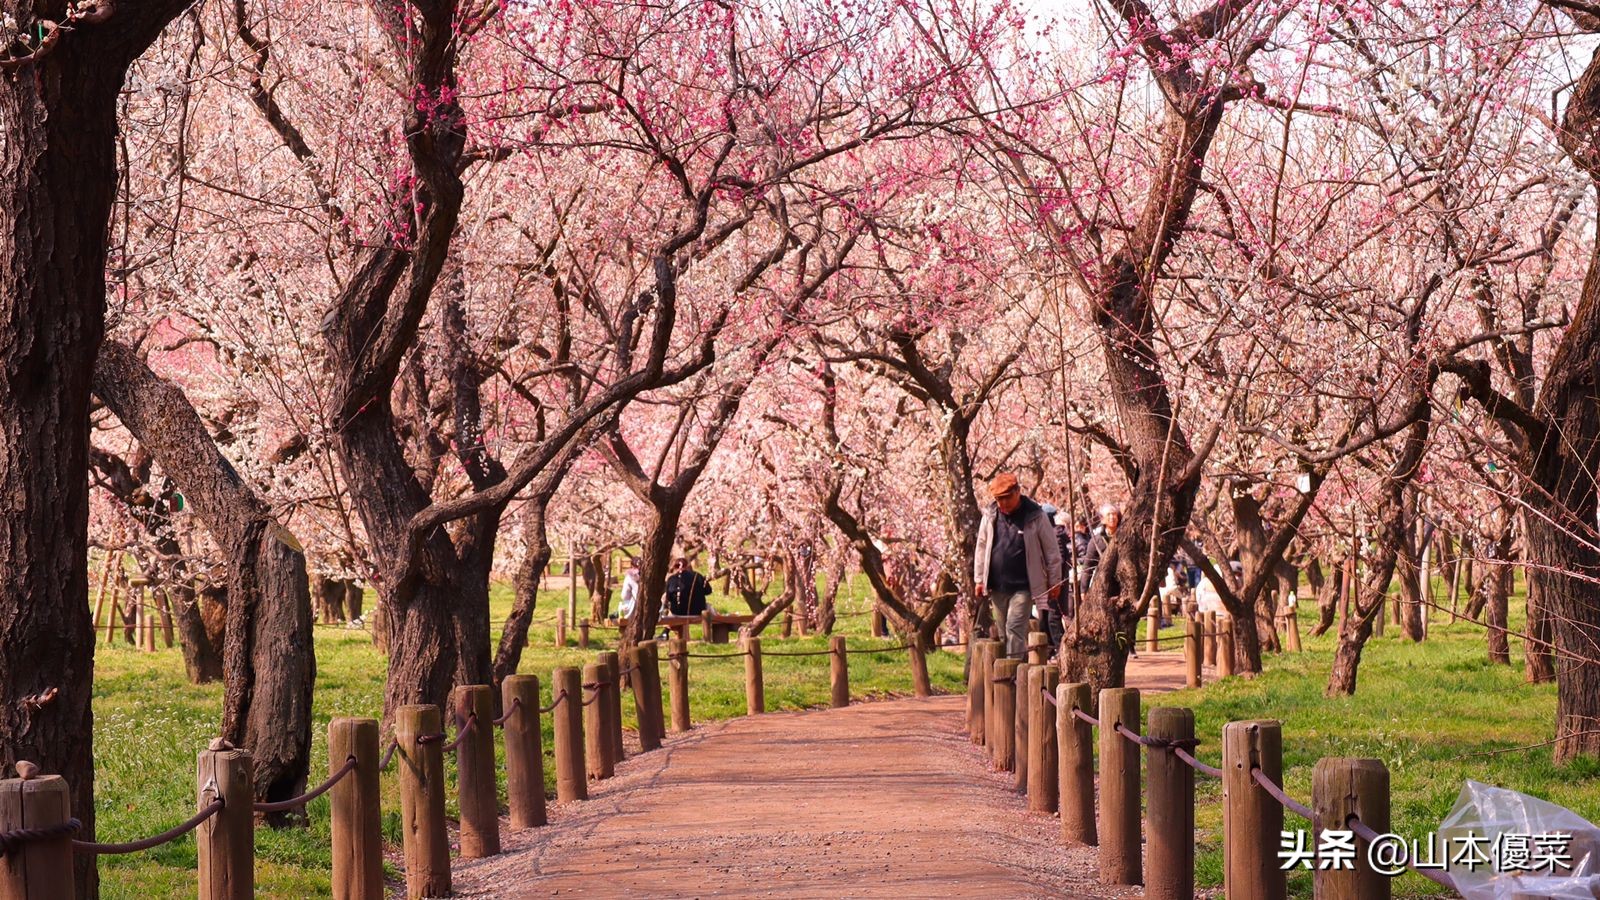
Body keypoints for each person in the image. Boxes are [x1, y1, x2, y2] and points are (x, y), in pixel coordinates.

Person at [973, 473, 1063, 659]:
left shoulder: (1035, 516)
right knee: (1003, 630)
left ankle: (1012, 675)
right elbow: (981, 547)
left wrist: (1055, 581)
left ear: (1018, 492)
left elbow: (1052, 551)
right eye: (999, 499)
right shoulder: (990, 515)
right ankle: (1011, 673)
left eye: (1007, 498)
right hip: (997, 584)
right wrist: (979, 579)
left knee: (1014, 627)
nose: (1003, 503)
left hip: (1024, 585)